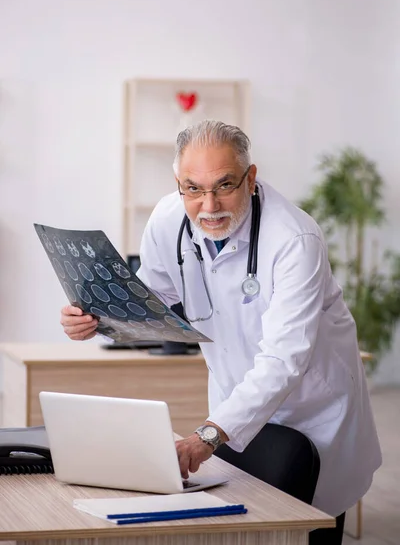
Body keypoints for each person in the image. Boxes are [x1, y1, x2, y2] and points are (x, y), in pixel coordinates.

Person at [61, 120, 382, 545]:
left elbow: (284, 359)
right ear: (178, 183)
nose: (208, 205)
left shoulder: (293, 239)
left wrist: (208, 434)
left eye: (224, 185)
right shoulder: (168, 219)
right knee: (244, 522)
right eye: (193, 188)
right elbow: (150, 299)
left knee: (309, 523)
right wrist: (95, 320)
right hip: (235, 398)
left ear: (251, 178)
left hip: (312, 404)